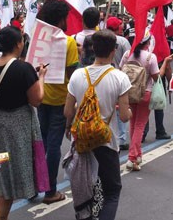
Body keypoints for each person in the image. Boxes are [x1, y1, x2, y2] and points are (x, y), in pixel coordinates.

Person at [0, 27, 46, 219]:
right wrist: (41, 77)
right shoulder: (24, 69)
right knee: (8, 170)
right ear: (18, 44)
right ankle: (1, 216)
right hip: (16, 125)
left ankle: (0, 210)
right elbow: (36, 99)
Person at [64, 30, 132, 220]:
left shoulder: (78, 75)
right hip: (107, 142)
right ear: (114, 50)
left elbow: (68, 112)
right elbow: (125, 116)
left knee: (86, 191)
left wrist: (70, 128)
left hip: (82, 141)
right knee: (112, 191)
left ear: (93, 48)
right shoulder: (120, 77)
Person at [36, 0, 79, 204]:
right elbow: (72, 74)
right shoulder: (68, 42)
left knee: (41, 144)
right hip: (61, 100)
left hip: (40, 96)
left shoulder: (38, 39)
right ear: (61, 19)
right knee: (53, 146)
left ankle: (35, 185)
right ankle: (50, 190)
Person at [119, 33, 163, 171]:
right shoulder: (151, 57)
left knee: (133, 123)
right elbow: (157, 77)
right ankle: (132, 157)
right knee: (139, 125)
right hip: (145, 93)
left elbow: (120, 71)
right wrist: (166, 63)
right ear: (148, 42)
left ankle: (137, 155)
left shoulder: (127, 54)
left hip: (129, 92)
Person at [105, 16, 132, 150]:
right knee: (121, 107)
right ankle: (121, 138)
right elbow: (129, 58)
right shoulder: (122, 41)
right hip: (120, 77)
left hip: (104, 76)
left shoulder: (102, 39)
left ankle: (110, 136)